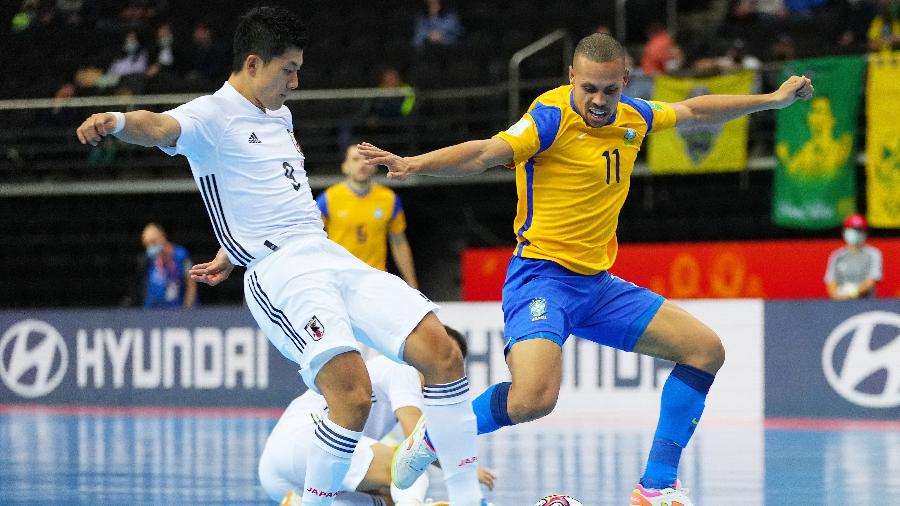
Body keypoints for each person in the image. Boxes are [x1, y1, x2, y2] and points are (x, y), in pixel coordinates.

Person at [358, 32, 814, 506]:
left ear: (625, 81)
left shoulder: (635, 115)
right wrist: (414, 164)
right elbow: (485, 152)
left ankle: (656, 486)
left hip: (597, 284)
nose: (598, 101)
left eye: (609, 90)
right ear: (571, 78)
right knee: (533, 399)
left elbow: (697, 111)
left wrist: (772, 99)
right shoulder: (549, 118)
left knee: (705, 351)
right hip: (541, 278)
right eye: (589, 88)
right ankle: (434, 434)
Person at [75, 6, 486, 506]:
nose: (294, 82)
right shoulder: (211, 115)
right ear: (253, 64)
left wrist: (230, 246)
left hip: (324, 252)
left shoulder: (279, 115)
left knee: (444, 353)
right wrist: (115, 120)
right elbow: (157, 126)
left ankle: (468, 501)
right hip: (281, 272)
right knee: (353, 397)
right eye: (287, 70)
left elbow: (264, 191)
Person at [260, 327, 496, 506]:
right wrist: (462, 472)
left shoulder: (415, 388)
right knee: (406, 469)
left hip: (277, 474)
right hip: (306, 439)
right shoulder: (404, 368)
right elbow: (416, 442)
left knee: (386, 499)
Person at [316, 144, 419, 288]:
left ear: (375, 165)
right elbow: (314, 241)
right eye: (355, 159)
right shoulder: (327, 199)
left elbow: (399, 243)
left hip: (376, 279)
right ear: (345, 166)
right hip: (339, 280)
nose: (362, 164)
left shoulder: (389, 199)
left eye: (366, 159)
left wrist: (413, 285)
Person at [825, 213, 883, 299]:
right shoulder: (837, 256)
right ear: (844, 232)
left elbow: (872, 281)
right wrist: (837, 295)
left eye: (859, 230)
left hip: (865, 303)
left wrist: (851, 293)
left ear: (865, 233)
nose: (855, 233)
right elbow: (831, 282)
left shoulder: (873, 254)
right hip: (840, 303)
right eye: (851, 230)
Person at [141, 222, 197, 309]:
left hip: (177, 310)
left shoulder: (181, 255)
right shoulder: (149, 259)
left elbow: (191, 285)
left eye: (153, 242)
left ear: (162, 236)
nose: (150, 247)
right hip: (152, 311)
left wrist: (187, 310)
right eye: (147, 244)